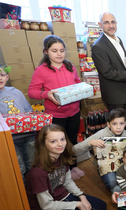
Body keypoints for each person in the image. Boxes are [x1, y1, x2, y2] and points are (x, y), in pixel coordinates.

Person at [25, 124, 106, 210]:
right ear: (43, 144)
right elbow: (47, 206)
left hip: (62, 196)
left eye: (62, 139)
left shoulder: (62, 156)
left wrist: (82, 196)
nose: (60, 144)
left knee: (101, 207)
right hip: (43, 209)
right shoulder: (38, 172)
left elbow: (67, 181)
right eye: (53, 141)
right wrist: (76, 204)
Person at [28, 35, 85, 180]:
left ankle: (73, 167)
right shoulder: (41, 70)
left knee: (72, 140)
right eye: (54, 51)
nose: (59, 54)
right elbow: (32, 92)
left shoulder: (70, 67)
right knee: (57, 144)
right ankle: (61, 171)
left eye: (61, 50)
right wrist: (47, 94)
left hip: (74, 112)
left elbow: (78, 82)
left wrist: (83, 90)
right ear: (46, 52)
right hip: (55, 115)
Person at [0, 63, 35, 181]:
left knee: (33, 164)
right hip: (8, 139)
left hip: (29, 136)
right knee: (18, 168)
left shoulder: (16, 92)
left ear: (7, 77)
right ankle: (24, 195)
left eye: (2, 74)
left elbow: (29, 110)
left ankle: (36, 191)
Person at [91, 12, 126, 132]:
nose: (111, 25)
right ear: (100, 25)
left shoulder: (118, 40)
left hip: (125, 92)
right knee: (118, 128)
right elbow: (108, 72)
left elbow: (123, 63)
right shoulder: (98, 46)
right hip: (114, 95)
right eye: (106, 22)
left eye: (113, 22)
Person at [73, 108, 126, 191]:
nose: (118, 127)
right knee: (112, 182)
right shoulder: (100, 134)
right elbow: (74, 150)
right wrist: (90, 142)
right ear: (108, 124)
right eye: (114, 124)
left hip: (122, 164)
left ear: (125, 123)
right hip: (106, 166)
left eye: (121, 123)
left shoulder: (125, 133)